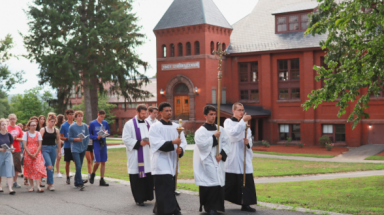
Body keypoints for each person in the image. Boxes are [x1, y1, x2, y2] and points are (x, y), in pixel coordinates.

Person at [148, 102, 187, 215]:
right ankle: (170, 210)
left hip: (173, 160)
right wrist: (173, 142)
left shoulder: (176, 127)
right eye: (166, 111)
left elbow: (183, 142)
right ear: (160, 112)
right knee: (164, 187)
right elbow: (156, 143)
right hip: (160, 161)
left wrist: (181, 150)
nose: (169, 112)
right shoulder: (155, 127)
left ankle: (161, 209)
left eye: (170, 110)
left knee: (169, 187)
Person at [193, 106, 231, 215]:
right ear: (205, 116)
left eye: (214, 114)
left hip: (218, 160)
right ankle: (209, 207)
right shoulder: (201, 131)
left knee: (218, 182)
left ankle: (217, 207)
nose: (213, 116)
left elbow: (226, 143)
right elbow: (202, 145)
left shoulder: (220, 129)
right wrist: (214, 137)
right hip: (207, 160)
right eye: (211, 114)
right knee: (212, 182)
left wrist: (221, 154)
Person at [223, 102, 257, 212]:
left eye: (242, 110)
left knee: (246, 181)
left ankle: (245, 203)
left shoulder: (244, 124)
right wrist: (243, 122)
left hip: (243, 155)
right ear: (233, 111)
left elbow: (249, 137)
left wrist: (248, 142)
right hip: (233, 155)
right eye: (239, 110)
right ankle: (219, 202)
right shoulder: (228, 122)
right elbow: (232, 135)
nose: (241, 112)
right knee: (230, 182)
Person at [122, 104, 153, 206]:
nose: (145, 115)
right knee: (137, 179)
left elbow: (152, 136)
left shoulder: (148, 123)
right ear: (137, 112)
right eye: (143, 114)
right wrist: (139, 143)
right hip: (136, 155)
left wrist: (150, 142)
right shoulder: (129, 124)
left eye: (146, 113)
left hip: (147, 155)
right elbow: (126, 139)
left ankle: (147, 196)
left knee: (147, 177)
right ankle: (139, 199)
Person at [23, 119, 47, 193]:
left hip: (37, 153)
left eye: (35, 125)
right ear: (29, 126)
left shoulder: (38, 133)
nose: (34, 126)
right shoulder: (26, 134)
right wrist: (29, 154)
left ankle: (38, 186)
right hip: (28, 153)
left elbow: (40, 145)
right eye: (32, 125)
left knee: (37, 168)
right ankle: (31, 186)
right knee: (30, 169)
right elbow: (24, 145)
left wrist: (36, 153)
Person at [68, 111, 89, 191]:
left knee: (79, 167)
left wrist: (85, 146)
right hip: (75, 149)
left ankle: (76, 182)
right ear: (75, 117)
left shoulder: (85, 126)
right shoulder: (72, 127)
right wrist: (77, 139)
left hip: (82, 148)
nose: (80, 117)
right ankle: (80, 183)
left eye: (81, 116)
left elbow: (87, 137)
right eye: (79, 116)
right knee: (78, 166)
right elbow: (69, 138)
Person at [40, 113, 61, 191]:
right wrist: (38, 150)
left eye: (54, 121)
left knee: (52, 166)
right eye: (51, 121)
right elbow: (39, 140)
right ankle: (50, 183)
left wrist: (59, 152)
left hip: (53, 148)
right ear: (48, 121)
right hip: (44, 148)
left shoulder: (56, 130)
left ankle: (49, 184)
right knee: (49, 165)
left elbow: (58, 140)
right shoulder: (43, 129)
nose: (53, 123)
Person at [89, 110, 110, 186]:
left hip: (103, 143)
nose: (102, 118)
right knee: (97, 162)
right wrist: (96, 137)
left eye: (103, 117)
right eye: (101, 116)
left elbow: (108, 132)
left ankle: (102, 179)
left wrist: (106, 134)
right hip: (96, 144)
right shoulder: (92, 123)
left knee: (103, 162)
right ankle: (93, 174)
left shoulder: (105, 123)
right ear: (98, 115)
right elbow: (89, 135)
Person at [7, 114, 24, 188]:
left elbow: (23, 138)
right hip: (8, 149)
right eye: (11, 119)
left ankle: (15, 181)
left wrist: (16, 138)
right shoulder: (6, 128)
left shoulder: (18, 128)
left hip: (17, 149)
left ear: (16, 119)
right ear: (9, 120)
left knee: (16, 165)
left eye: (13, 119)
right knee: (9, 166)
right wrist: (11, 139)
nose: (12, 120)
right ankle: (9, 181)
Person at [0, 118, 16, 195]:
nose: (4, 126)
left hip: (8, 154)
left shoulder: (9, 135)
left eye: (5, 124)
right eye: (2, 125)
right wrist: (0, 149)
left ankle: (10, 188)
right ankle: (0, 186)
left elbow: (11, 144)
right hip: (0, 154)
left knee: (9, 170)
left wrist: (12, 149)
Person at [60, 109, 75, 185]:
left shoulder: (76, 124)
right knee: (67, 162)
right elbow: (61, 137)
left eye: (72, 114)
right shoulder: (64, 125)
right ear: (67, 115)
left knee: (77, 162)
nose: (71, 116)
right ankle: (68, 177)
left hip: (75, 146)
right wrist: (67, 138)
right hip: (67, 146)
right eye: (70, 114)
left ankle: (77, 177)